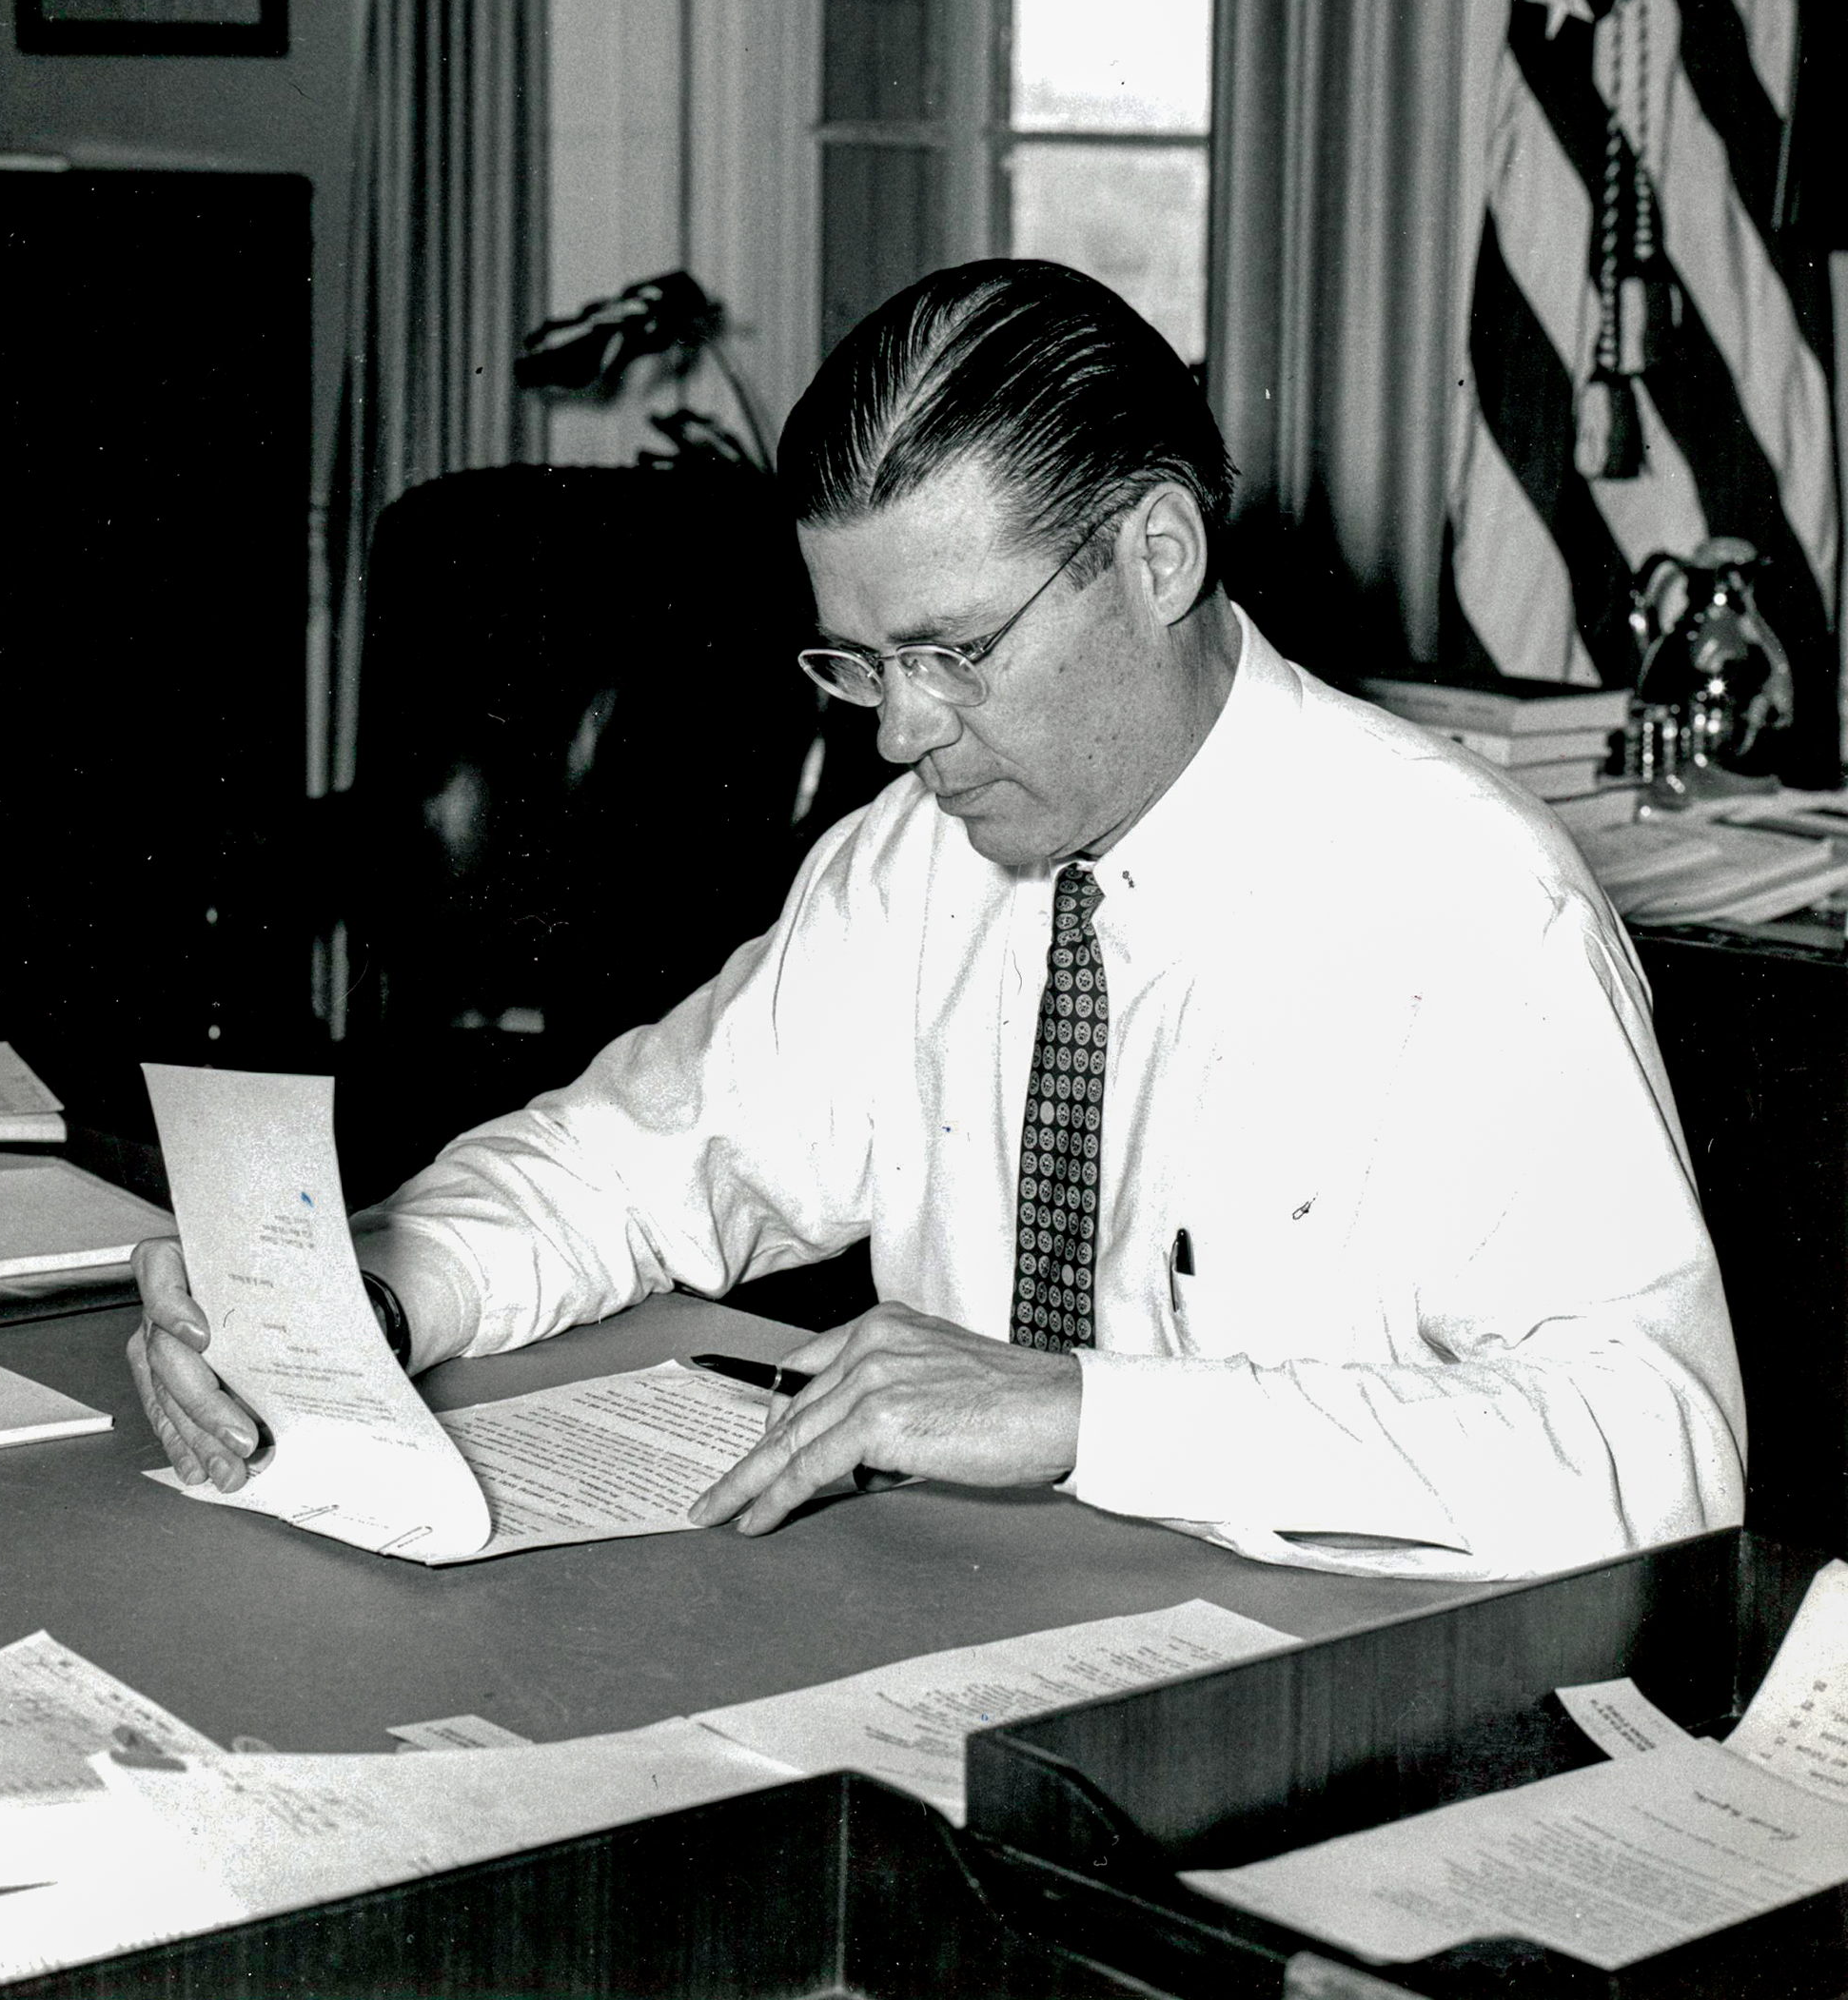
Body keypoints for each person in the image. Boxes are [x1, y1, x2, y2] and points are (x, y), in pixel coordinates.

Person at [130, 260, 1744, 1580]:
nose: (900, 731)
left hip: (1342, 1694)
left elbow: (1659, 1455)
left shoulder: (1459, 906)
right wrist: (363, 1294)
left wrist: (1088, 1416)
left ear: (1158, 553)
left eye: (953, 650)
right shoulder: (920, 860)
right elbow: (639, 1160)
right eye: (858, 662)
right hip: (959, 1640)